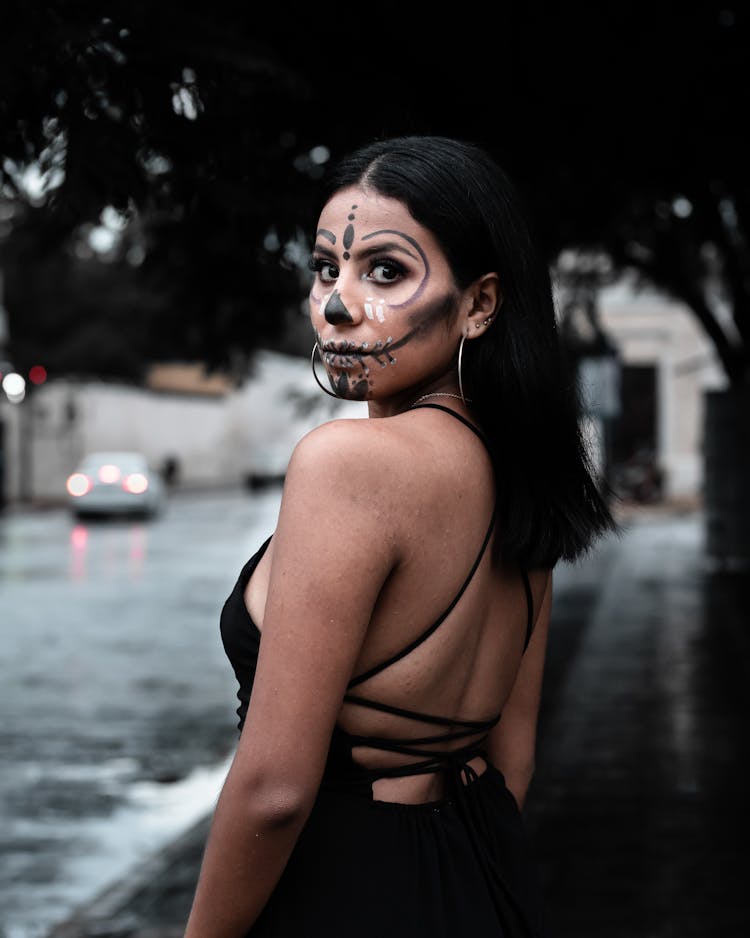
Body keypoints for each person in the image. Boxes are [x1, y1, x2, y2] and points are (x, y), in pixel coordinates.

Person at [184, 135, 616, 937]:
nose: (339, 303)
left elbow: (275, 790)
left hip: (342, 889)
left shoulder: (346, 463)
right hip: (479, 876)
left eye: (385, 270)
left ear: (480, 303)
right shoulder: (526, 471)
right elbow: (510, 764)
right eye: (326, 268)